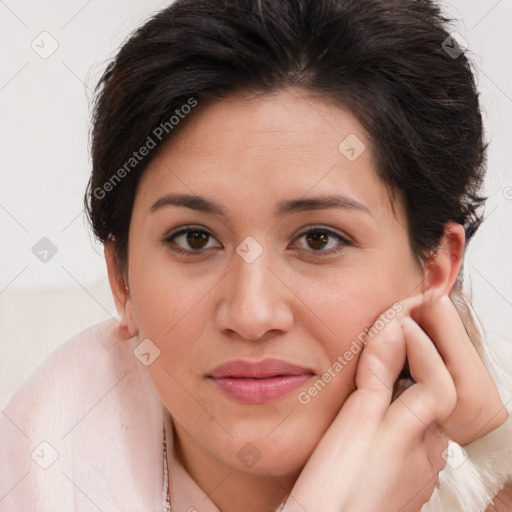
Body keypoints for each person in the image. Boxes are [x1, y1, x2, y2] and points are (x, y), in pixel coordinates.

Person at [1, 0, 512, 510]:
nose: (251, 314)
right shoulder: (39, 468)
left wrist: (497, 464)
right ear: (122, 281)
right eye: (194, 239)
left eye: (318, 239)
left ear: (434, 271)